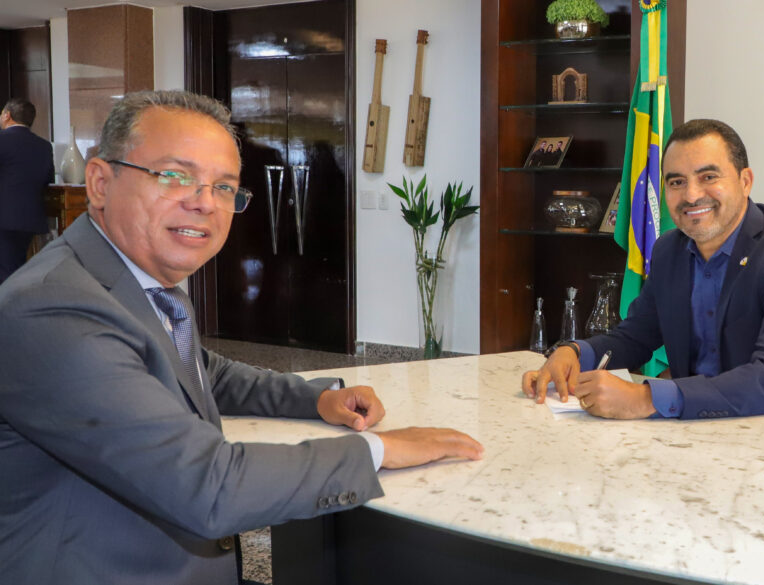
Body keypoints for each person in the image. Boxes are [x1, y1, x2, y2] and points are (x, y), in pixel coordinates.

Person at [0, 90, 483, 584]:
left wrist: (314, 399)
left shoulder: (138, 280)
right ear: (101, 182)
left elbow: (197, 370)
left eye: (224, 187)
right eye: (175, 176)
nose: (204, 203)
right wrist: (378, 451)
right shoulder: (52, 306)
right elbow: (206, 485)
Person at [522, 119, 764, 420]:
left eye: (708, 177)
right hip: (699, 429)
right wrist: (576, 353)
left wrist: (646, 398)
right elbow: (636, 336)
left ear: (745, 181)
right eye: (677, 182)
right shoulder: (669, 250)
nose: (691, 195)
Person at [0, 98, 54, 283]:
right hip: (30, 219)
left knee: (6, 273)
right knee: (16, 267)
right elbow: (48, 179)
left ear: (7, 115)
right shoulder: (44, 146)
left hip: (3, 219)